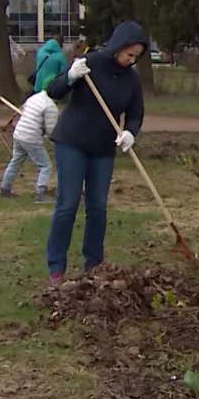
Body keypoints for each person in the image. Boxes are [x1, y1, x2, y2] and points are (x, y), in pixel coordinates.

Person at [44, 20, 146, 287]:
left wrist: (130, 133)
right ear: (118, 46)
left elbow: (135, 113)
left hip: (103, 148)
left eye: (136, 56)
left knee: (97, 208)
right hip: (72, 142)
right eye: (129, 54)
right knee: (67, 205)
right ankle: (56, 268)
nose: (131, 60)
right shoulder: (90, 63)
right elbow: (53, 90)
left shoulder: (131, 80)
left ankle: (93, 264)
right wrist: (69, 76)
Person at [0, 88, 59, 202]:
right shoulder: (50, 107)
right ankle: (41, 194)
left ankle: (5, 188)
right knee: (45, 165)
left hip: (18, 134)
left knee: (15, 161)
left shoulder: (34, 98)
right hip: (31, 137)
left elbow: (24, 111)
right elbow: (51, 130)